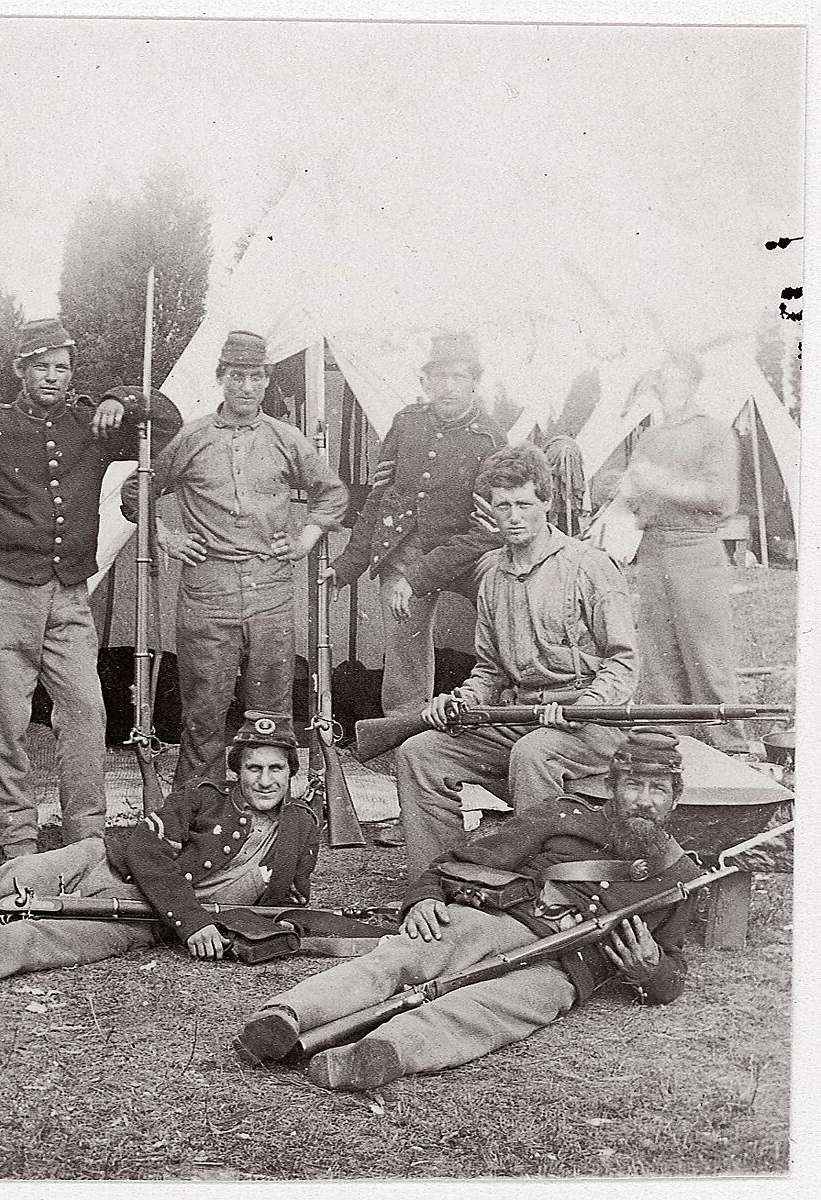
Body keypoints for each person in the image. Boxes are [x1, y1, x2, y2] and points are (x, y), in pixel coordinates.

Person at [237, 729, 702, 1092]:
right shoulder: (563, 816)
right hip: (500, 920)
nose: (644, 800)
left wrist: (653, 970)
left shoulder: (679, 877)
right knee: (402, 959)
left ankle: (384, 1053)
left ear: (675, 798)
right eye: (633, 786)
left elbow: (673, 968)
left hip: (568, 966)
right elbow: (458, 860)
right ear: (613, 787)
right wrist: (424, 897)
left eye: (657, 789)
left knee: (487, 1012)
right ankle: (286, 1016)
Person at [0, 714, 320, 999]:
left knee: (23, 939)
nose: (265, 780)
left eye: (277, 769)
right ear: (237, 771)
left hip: (142, 919)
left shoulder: (301, 829)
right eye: (254, 768)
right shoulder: (203, 799)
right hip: (99, 863)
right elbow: (144, 847)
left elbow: (293, 904)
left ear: (291, 774)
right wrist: (193, 921)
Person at [0, 319, 183, 860]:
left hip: (71, 593)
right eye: (42, 366)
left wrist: (122, 398)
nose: (52, 376)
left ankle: (85, 836)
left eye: (62, 367)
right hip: (3, 591)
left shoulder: (86, 424)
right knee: (8, 719)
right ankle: (18, 837)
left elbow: (167, 421)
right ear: (21, 370)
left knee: (86, 712)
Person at [395, 445, 638, 879]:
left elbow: (623, 661)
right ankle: (439, 884)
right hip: (522, 715)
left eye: (524, 504)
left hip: (591, 724)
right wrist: (459, 702)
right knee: (420, 752)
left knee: (533, 756)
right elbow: (489, 671)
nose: (513, 516)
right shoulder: (491, 575)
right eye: (501, 505)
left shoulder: (590, 566)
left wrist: (585, 706)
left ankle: (532, 890)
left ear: (546, 502)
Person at [122, 330, 348, 788]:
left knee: (271, 711)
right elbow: (135, 491)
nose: (247, 387)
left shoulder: (287, 439)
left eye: (257, 377)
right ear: (221, 378)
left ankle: (270, 814)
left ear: (268, 382)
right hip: (208, 593)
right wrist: (166, 536)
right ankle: (196, 815)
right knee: (204, 713)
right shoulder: (192, 437)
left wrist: (307, 534)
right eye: (237, 376)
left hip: (271, 592)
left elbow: (333, 493)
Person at [326, 333, 504, 715]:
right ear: (426, 381)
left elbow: (489, 529)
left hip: (468, 554)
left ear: (475, 381)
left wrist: (420, 576)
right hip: (405, 547)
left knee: (505, 592)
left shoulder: (490, 440)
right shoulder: (406, 423)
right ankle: (405, 733)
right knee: (403, 638)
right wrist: (346, 566)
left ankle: (505, 712)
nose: (449, 386)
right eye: (440, 377)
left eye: (458, 377)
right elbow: (379, 500)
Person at [616, 352, 744, 751]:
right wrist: (625, 492)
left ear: (692, 384)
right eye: (662, 382)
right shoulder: (650, 437)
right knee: (657, 655)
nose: (668, 390)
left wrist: (658, 482)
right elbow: (633, 492)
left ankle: (730, 746)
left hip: (696, 549)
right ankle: (667, 745)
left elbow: (720, 498)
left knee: (707, 654)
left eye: (676, 382)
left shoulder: (715, 433)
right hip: (654, 550)